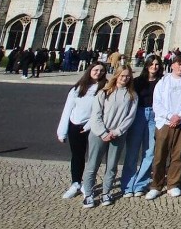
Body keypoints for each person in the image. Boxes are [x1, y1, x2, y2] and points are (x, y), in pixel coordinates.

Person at [82, 66, 138, 207]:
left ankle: (106, 192)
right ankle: (88, 193)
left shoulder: (132, 95)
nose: (125, 78)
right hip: (99, 133)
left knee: (112, 165)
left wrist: (117, 131)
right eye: (122, 75)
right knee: (92, 164)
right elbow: (96, 115)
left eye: (127, 76)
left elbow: (130, 117)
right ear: (116, 76)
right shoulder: (104, 92)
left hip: (117, 134)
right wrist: (103, 132)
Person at [145, 55, 181, 200]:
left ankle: (172, 184)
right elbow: (157, 103)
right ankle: (156, 185)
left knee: (177, 155)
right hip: (165, 122)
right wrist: (170, 116)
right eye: (179, 64)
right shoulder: (163, 81)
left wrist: (179, 116)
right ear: (173, 65)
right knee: (159, 155)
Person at [56, 63, 108, 199]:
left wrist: (90, 125)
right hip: (75, 124)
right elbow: (68, 110)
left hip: (93, 126)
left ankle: (87, 183)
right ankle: (75, 183)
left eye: (102, 71)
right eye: (96, 70)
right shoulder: (78, 88)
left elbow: (104, 110)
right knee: (77, 155)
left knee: (93, 157)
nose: (98, 73)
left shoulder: (105, 87)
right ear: (90, 70)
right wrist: (62, 131)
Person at [120, 55, 163, 197]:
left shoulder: (162, 82)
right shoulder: (137, 81)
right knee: (132, 151)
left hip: (154, 116)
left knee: (149, 152)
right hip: (138, 114)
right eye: (152, 64)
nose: (154, 67)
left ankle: (140, 184)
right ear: (147, 65)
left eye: (157, 64)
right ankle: (127, 184)